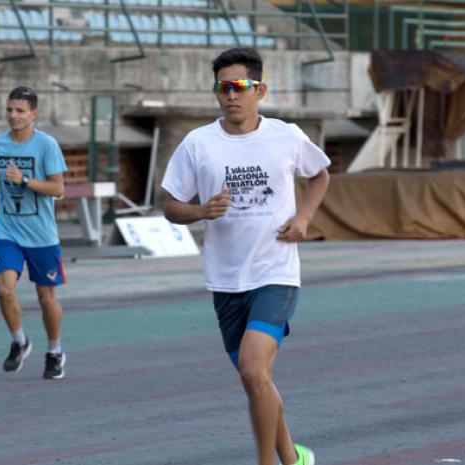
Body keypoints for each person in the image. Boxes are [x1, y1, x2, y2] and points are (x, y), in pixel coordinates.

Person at [161, 48, 330, 465]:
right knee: (257, 381)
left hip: (275, 272)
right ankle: (293, 458)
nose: (231, 95)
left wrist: (304, 218)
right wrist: (201, 210)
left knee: (254, 370)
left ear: (260, 90)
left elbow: (320, 174)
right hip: (225, 280)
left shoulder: (285, 135)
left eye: (240, 87)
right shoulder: (198, 143)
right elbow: (170, 206)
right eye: (223, 87)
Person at [0, 86, 69, 380]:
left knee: (46, 298)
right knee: (4, 289)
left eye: (19, 111)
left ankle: (54, 351)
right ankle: (19, 341)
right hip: (8, 232)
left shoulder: (46, 145)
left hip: (42, 236)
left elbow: (58, 189)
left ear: (33, 113)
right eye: (9, 110)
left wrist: (26, 180)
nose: (13, 116)